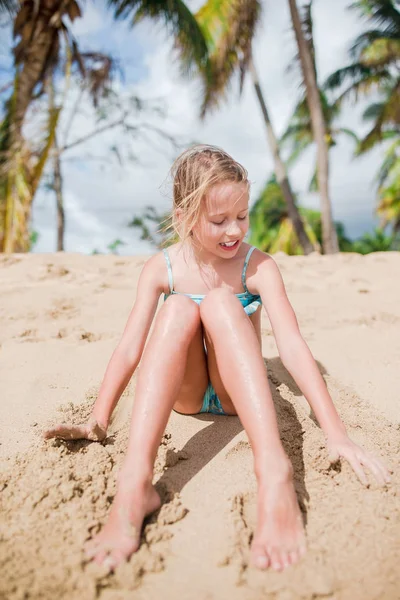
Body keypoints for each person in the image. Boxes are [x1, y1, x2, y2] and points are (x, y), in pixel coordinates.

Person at [44, 144, 391, 573]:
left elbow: (292, 346)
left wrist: (335, 433)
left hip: (235, 395)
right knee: (178, 308)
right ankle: (134, 485)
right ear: (183, 218)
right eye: (219, 220)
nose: (235, 231)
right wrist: (98, 419)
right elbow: (131, 347)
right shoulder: (161, 269)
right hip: (186, 398)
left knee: (222, 303)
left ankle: (274, 472)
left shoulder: (257, 267)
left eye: (242, 216)